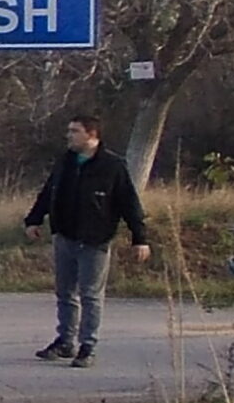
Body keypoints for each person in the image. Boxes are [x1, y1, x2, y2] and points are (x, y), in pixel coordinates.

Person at [25, 115, 151, 369]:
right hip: (65, 236)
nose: (69, 135)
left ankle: (88, 345)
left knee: (90, 294)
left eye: (75, 131)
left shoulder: (112, 166)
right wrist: (34, 219)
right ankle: (65, 341)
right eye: (69, 130)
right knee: (65, 293)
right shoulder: (65, 162)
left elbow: (130, 204)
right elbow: (49, 191)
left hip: (95, 239)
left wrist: (140, 238)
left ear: (91, 135)